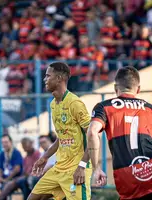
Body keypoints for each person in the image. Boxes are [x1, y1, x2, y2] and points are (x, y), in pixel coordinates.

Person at [87, 66, 152, 200]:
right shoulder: (151, 109)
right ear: (138, 89)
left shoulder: (104, 107)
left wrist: (96, 168)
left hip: (127, 175)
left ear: (116, 88)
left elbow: (93, 132)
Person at [28, 62, 94, 200]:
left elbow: (93, 136)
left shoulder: (75, 103)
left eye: (47, 76)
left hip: (76, 169)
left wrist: (82, 166)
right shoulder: (53, 104)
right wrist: (45, 157)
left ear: (59, 78)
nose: (44, 79)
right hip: (59, 168)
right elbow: (62, 137)